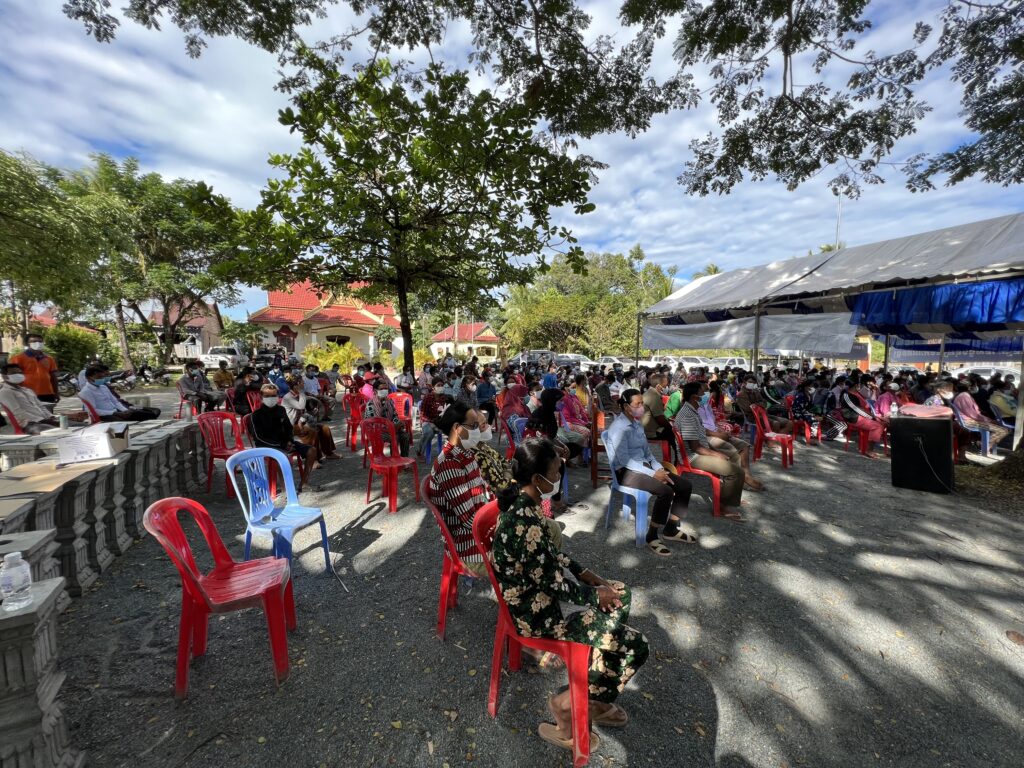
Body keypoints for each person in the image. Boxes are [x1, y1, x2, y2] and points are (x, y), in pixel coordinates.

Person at [490, 438, 649, 751]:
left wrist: (587, 574)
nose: (559, 476)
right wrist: (594, 596)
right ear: (537, 479)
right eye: (555, 472)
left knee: (620, 592)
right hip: (538, 619)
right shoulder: (521, 521)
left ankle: (591, 694)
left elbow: (552, 555)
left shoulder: (529, 504)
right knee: (636, 645)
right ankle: (568, 706)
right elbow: (550, 585)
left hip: (545, 601)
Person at [604, 389, 695, 555]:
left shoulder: (637, 424)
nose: (641, 407)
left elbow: (647, 453)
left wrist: (658, 468)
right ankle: (651, 536)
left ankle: (671, 529)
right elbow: (624, 461)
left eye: (642, 403)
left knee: (684, 486)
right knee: (666, 491)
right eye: (637, 404)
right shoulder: (619, 428)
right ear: (626, 407)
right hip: (625, 472)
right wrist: (653, 474)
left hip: (644, 467)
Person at [426, 403, 494, 576]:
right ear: (457, 428)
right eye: (474, 426)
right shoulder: (449, 465)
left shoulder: (466, 454)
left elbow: (484, 494)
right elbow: (471, 520)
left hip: (482, 533)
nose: (478, 430)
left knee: (546, 530)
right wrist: (502, 520)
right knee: (531, 553)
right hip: (469, 546)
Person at [675, 382, 745, 519]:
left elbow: (701, 439)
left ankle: (730, 494)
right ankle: (723, 507)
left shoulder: (692, 410)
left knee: (735, 456)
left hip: (700, 450)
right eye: (703, 393)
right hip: (692, 456)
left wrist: (715, 451)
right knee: (737, 472)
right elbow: (695, 447)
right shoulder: (687, 414)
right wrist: (716, 454)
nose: (706, 395)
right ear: (694, 397)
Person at [249, 384, 321, 470]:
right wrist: (281, 445)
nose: (270, 398)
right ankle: (284, 479)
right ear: (261, 397)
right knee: (283, 458)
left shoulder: (281, 410)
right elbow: (258, 438)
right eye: (267, 396)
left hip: (284, 443)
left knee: (311, 450)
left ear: (277, 396)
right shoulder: (256, 415)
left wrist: (290, 441)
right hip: (266, 446)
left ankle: (305, 479)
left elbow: (288, 428)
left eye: (273, 395)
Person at [0, 363, 87, 433]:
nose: (18, 375)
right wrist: (42, 420)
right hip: (30, 424)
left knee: (82, 426)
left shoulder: (27, 390)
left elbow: (40, 406)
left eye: (20, 372)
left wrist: (51, 417)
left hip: (45, 420)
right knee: (62, 432)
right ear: (4, 376)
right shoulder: (5, 392)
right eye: (13, 373)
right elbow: (18, 413)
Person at [79, 365, 161, 421]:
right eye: (99, 377)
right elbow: (91, 411)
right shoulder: (86, 392)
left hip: (118, 411)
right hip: (106, 416)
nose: (102, 379)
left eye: (103, 377)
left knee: (151, 414)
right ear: (88, 378)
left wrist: (125, 411)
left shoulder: (103, 387)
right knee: (124, 424)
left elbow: (115, 402)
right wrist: (115, 413)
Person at [952, 381, 1011, 447]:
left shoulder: (963, 395)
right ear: (969, 387)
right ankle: (983, 445)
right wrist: (989, 420)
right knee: (1003, 430)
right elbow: (974, 415)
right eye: (975, 385)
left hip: (969, 421)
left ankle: (983, 444)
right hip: (968, 422)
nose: (976, 387)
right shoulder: (964, 397)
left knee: (1003, 429)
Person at [363, 380, 410, 456]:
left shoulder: (389, 401)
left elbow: (394, 415)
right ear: (375, 391)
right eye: (381, 389)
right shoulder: (371, 404)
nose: (384, 390)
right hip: (376, 431)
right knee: (395, 437)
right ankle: (394, 459)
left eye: (386, 388)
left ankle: (404, 458)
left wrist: (397, 424)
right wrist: (392, 428)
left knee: (405, 436)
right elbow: (374, 424)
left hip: (390, 428)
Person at [839, 380, 885, 458]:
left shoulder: (856, 394)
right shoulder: (847, 395)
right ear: (856, 385)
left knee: (882, 423)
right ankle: (869, 450)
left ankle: (870, 448)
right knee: (877, 426)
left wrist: (873, 417)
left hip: (862, 415)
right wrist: (872, 417)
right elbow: (857, 409)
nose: (860, 387)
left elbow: (864, 406)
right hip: (853, 417)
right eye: (859, 385)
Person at [10, 333, 60, 403]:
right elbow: (13, 377)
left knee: (47, 410)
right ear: (27, 344)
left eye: (40, 341)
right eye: (34, 341)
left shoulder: (49, 359)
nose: (38, 343)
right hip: (27, 394)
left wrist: (56, 392)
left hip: (47, 393)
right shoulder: (18, 358)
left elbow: (53, 377)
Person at [640, 373, 675, 458]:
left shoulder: (649, 393)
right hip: (651, 432)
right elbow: (660, 419)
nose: (666, 388)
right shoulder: (654, 396)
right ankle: (675, 460)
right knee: (675, 434)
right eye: (665, 386)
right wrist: (671, 427)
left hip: (646, 429)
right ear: (658, 386)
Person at [416, 376, 450, 457]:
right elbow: (422, 415)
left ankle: (449, 453)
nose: (441, 387)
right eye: (438, 385)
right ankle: (420, 452)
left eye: (442, 385)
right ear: (433, 387)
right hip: (427, 421)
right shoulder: (428, 397)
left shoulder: (444, 398)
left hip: (440, 422)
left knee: (453, 431)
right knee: (429, 433)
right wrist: (431, 423)